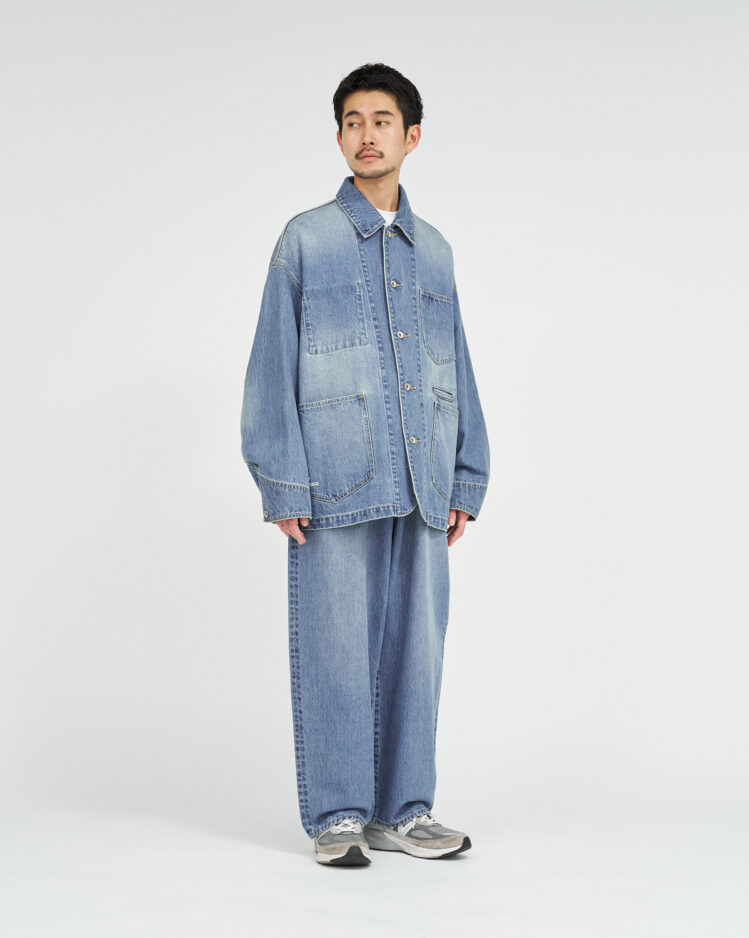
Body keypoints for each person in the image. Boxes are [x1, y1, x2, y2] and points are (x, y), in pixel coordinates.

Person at [240, 63, 490, 866]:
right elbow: (271, 362)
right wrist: (282, 478)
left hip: (423, 480)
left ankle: (405, 811)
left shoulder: (435, 251)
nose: (367, 134)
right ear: (340, 137)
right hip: (333, 482)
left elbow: (456, 363)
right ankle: (340, 814)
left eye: (382, 120)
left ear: (411, 136)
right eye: (352, 121)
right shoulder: (305, 239)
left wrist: (466, 475)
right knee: (337, 647)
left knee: (418, 652)